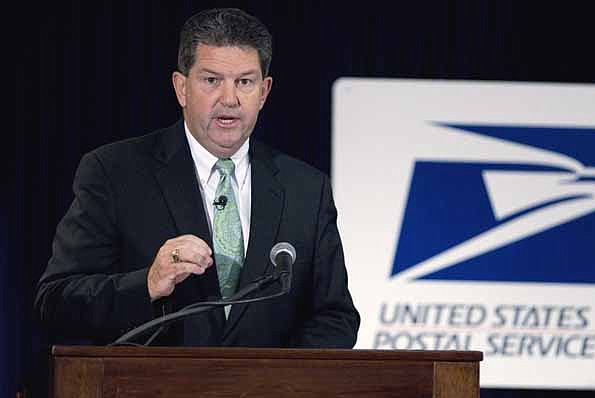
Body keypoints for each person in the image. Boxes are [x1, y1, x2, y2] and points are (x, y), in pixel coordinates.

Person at [33, 8, 360, 347]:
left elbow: (335, 318)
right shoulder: (114, 172)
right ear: (181, 88)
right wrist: (147, 282)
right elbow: (55, 302)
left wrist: (272, 382)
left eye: (244, 82)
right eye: (211, 80)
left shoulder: (306, 188)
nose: (229, 99)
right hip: (146, 396)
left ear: (264, 92)